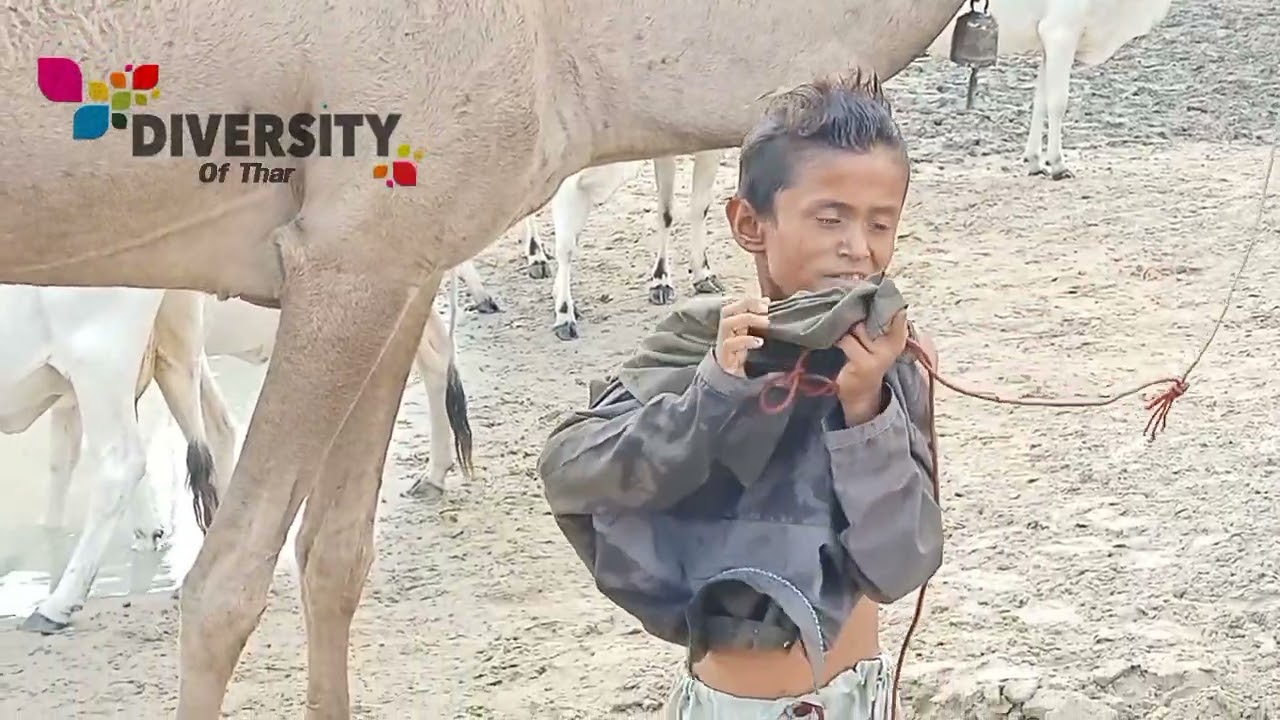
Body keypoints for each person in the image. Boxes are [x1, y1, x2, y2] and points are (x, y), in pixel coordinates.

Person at [536, 68, 942, 719]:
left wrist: (867, 411)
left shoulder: (884, 360)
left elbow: (901, 564)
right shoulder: (699, 344)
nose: (857, 250)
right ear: (750, 225)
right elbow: (572, 473)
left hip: (857, 697)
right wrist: (716, 395)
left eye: (880, 225)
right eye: (830, 218)